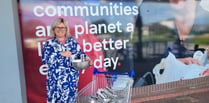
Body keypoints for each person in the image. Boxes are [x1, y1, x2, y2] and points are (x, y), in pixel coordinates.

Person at [41, 18, 90, 103]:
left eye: (62, 27)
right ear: (53, 29)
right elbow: (45, 60)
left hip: (71, 81)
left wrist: (86, 58)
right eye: (58, 27)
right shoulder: (49, 43)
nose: (60, 30)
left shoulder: (72, 41)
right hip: (55, 82)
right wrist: (60, 54)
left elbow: (79, 53)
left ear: (66, 29)